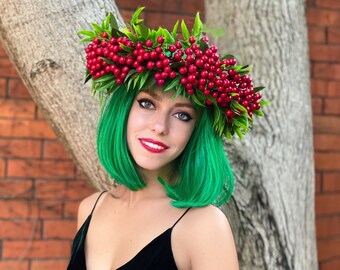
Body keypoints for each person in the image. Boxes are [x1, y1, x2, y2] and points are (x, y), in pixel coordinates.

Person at [68, 7, 265, 270]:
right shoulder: (90, 209)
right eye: (148, 104)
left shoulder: (204, 227)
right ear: (123, 111)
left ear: (196, 133)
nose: (160, 127)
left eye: (183, 115)